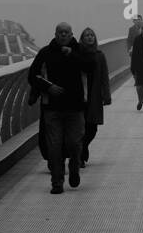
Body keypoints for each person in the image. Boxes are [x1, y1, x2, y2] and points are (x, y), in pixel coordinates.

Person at [28, 23, 93, 194]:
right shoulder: (45, 53)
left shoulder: (79, 51)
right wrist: (48, 87)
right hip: (52, 107)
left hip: (76, 106)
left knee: (74, 143)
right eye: (60, 32)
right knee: (54, 146)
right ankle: (57, 182)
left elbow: (91, 67)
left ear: (72, 34)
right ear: (55, 34)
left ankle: (74, 168)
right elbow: (32, 75)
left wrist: (73, 55)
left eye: (67, 33)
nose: (63, 35)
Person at [78, 27, 111, 165]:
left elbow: (104, 76)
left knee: (92, 128)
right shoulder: (77, 54)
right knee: (81, 126)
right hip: (80, 95)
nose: (90, 37)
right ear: (82, 38)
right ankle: (79, 154)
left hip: (95, 95)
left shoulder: (99, 55)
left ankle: (83, 147)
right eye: (87, 35)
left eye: (92, 35)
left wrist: (106, 94)